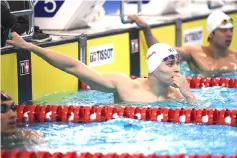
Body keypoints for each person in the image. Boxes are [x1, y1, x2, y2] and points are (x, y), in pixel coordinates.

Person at [6, 32, 196, 103]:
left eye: (178, 64)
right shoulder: (125, 85)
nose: (177, 69)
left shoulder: (178, 96)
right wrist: (30, 47)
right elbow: (75, 67)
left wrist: (190, 95)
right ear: (153, 68)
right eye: (170, 64)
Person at [127, 10, 237, 77]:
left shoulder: (235, 57)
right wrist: (147, 29)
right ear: (211, 33)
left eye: (231, 30)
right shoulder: (194, 53)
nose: (229, 34)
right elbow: (162, 52)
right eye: (223, 30)